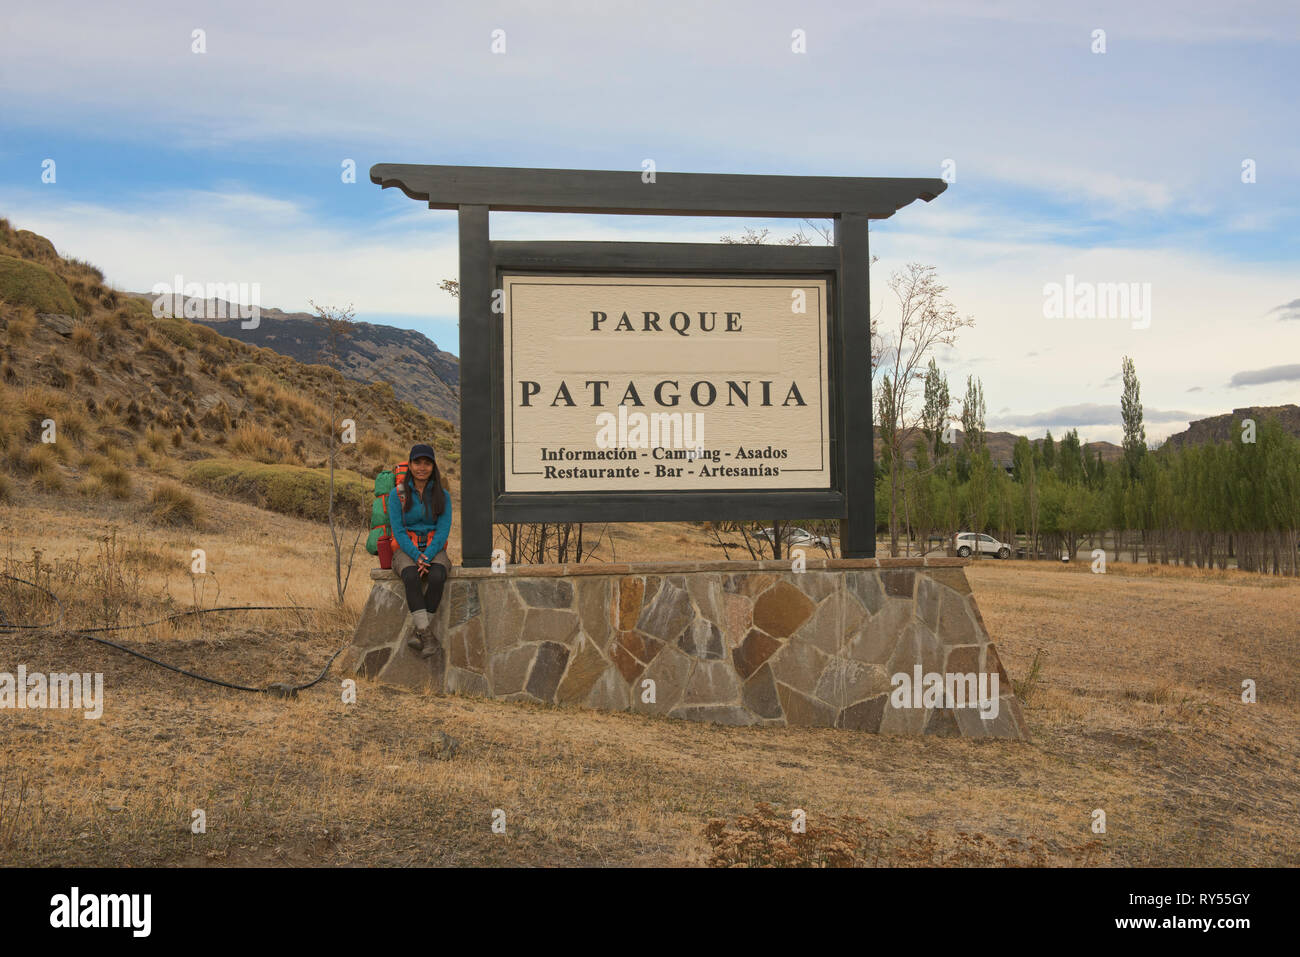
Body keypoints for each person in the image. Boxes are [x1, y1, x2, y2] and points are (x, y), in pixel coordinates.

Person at [388, 443, 453, 657]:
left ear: (433, 466)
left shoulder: (443, 495)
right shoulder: (397, 495)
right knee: (411, 576)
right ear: (410, 465)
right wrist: (417, 556)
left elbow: (443, 530)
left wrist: (427, 556)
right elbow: (398, 530)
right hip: (406, 548)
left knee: (437, 576)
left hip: (434, 548)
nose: (422, 468)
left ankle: (420, 634)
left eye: (427, 463)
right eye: (417, 462)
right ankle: (427, 636)